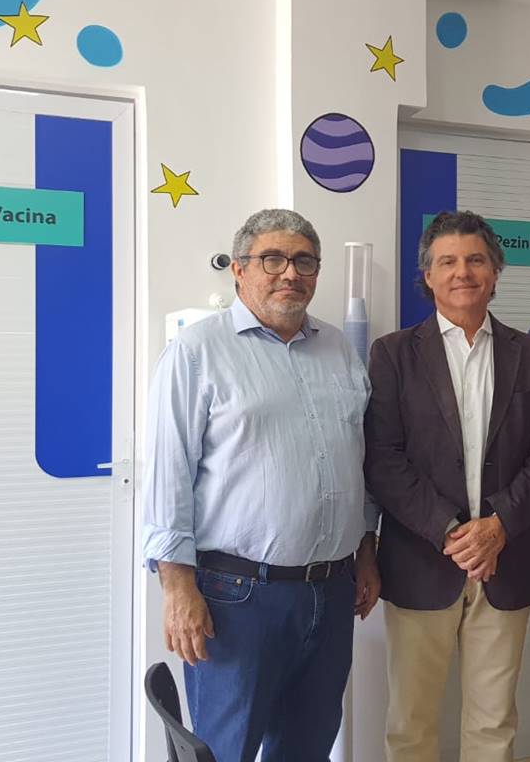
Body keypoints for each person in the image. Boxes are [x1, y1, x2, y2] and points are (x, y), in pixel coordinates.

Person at [142, 208, 381, 762]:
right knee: (228, 750)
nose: (290, 273)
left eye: (304, 261)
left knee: (307, 746)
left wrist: (367, 551)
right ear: (240, 269)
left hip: (332, 590)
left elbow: (359, 461)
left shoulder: (339, 350)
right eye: (272, 259)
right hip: (236, 597)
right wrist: (177, 589)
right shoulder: (196, 352)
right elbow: (168, 475)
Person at [364, 210, 530, 762]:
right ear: (427, 275)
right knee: (411, 724)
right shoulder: (393, 354)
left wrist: (499, 526)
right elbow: (383, 459)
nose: (463, 272)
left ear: (495, 271)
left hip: (507, 561)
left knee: (494, 724)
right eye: (447, 262)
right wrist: (453, 533)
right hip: (421, 563)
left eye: (476, 260)